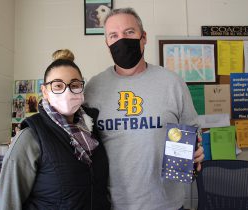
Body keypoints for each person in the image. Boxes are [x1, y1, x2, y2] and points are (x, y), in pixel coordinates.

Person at [84, 8, 204, 210]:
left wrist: (197, 153)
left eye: (129, 32)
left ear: (144, 37)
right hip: (112, 204)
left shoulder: (172, 82)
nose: (122, 40)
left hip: (166, 204)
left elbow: (191, 130)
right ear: (107, 43)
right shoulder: (93, 88)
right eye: (114, 35)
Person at [0, 49, 111, 210]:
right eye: (57, 85)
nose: (67, 91)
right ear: (45, 91)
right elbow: (6, 204)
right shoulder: (31, 136)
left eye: (75, 85)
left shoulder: (92, 131)